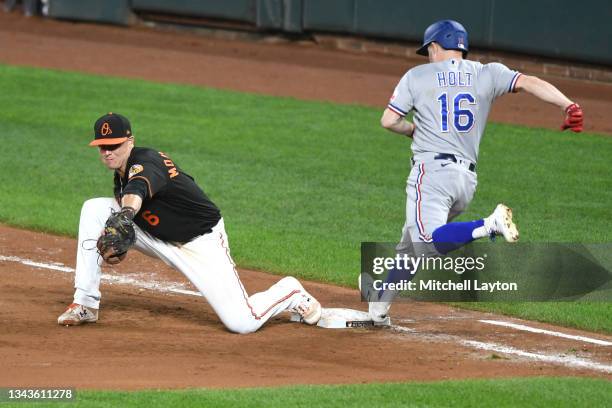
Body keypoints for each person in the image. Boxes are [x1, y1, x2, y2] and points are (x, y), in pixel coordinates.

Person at [368, 20, 583, 321]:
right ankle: (378, 305)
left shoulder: (416, 76)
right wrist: (568, 105)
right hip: (465, 182)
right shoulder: (487, 72)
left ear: (434, 46)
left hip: (432, 175)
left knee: (426, 243)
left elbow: (389, 121)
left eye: (427, 50)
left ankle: (489, 224)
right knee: (411, 248)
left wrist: (412, 130)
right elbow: (531, 81)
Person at [58, 112, 322, 333]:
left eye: (114, 145)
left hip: (200, 243)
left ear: (130, 142)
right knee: (93, 209)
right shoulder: (120, 173)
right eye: (103, 146)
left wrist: (125, 217)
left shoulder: (147, 162)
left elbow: (136, 191)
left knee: (242, 322)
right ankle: (85, 303)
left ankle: (290, 292)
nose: (107, 151)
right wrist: (120, 234)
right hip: (158, 236)